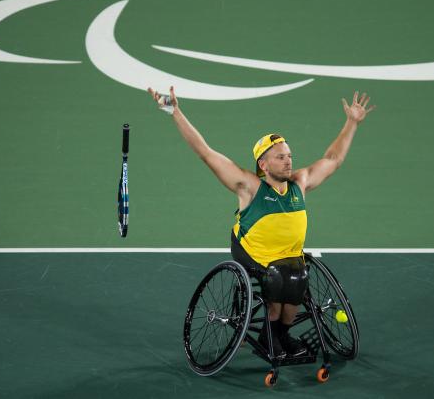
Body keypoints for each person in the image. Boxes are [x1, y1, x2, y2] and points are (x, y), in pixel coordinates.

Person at [148, 86, 375, 358]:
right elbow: (206, 153)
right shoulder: (249, 187)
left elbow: (333, 159)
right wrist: (174, 111)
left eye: (289, 155)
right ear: (263, 165)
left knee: (298, 277)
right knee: (280, 279)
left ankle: (280, 335)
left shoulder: (299, 184)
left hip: (289, 257)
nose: (288, 161)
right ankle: (269, 336)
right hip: (253, 253)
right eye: (280, 157)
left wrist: (351, 123)